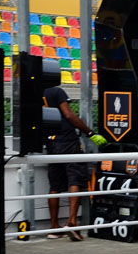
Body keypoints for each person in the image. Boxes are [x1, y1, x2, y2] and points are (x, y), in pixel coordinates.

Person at [43, 86, 107, 240]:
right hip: (67, 139)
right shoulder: (56, 91)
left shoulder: (34, 92)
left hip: (50, 141)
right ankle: (72, 222)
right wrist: (90, 133)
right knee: (75, 178)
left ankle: (53, 227)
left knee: (54, 186)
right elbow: (68, 114)